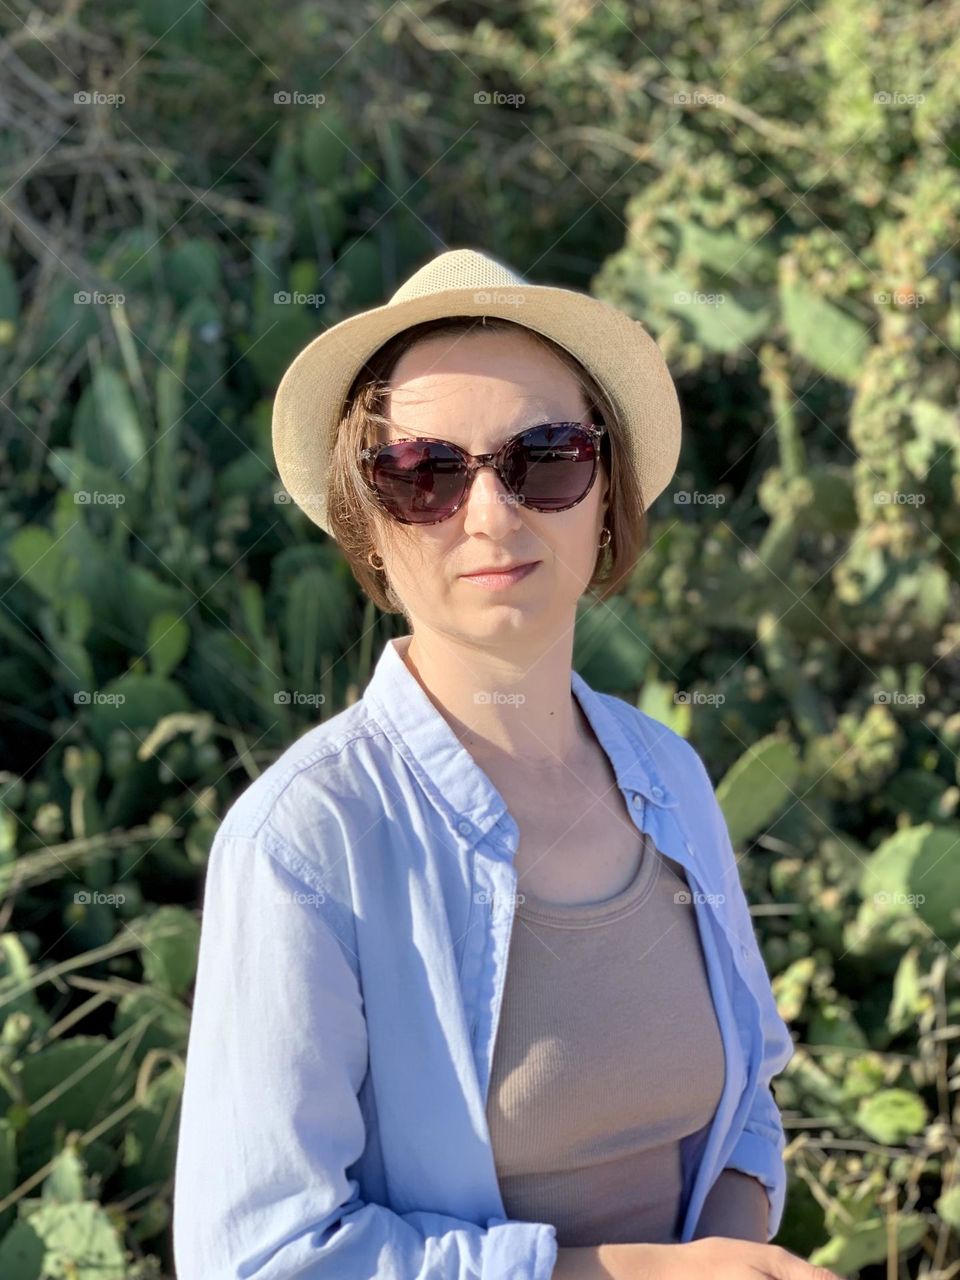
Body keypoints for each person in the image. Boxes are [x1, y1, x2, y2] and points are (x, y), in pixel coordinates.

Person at [173, 248, 840, 1280]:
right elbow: (262, 1253)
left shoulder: (668, 774)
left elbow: (749, 1103)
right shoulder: (307, 838)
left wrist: (731, 1254)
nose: (489, 512)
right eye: (424, 473)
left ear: (607, 497)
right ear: (371, 524)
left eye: (547, 457)